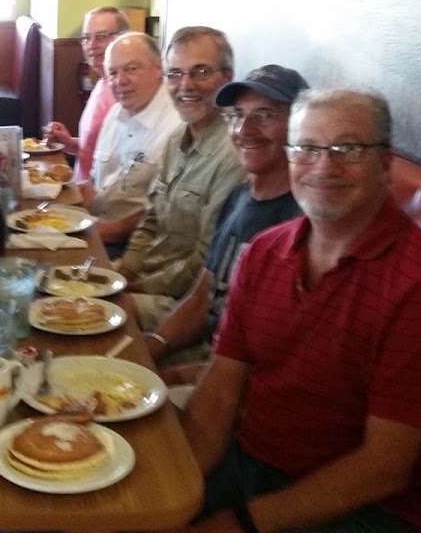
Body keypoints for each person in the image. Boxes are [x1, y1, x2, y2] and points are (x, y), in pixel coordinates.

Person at [169, 89, 421, 533]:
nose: (324, 166)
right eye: (308, 148)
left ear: (385, 163)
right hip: (252, 464)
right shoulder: (263, 253)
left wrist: (239, 525)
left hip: (371, 511)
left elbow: (384, 468)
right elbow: (219, 393)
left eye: (348, 148)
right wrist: (175, 496)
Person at [148, 65, 308, 374]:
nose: (244, 130)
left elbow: (266, 359)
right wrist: (151, 348)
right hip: (204, 347)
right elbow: (200, 298)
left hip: (232, 374)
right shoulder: (237, 197)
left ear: (300, 128)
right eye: (237, 115)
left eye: (264, 115)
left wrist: (169, 378)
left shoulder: (302, 222)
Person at [116, 26, 246, 329]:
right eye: (175, 74)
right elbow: (150, 220)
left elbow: (203, 262)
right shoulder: (177, 139)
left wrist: (128, 289)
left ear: (227, 77)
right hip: (144, 279)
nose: (185, 85)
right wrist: (122, 273)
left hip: (180, 303)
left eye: (200, 72)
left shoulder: (233, 155)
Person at [88, 31, 178, 254]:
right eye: (113, 73)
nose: (121, 81)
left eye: (131, 69)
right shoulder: (115, 113)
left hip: (137, 249)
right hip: (98, 227)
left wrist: (99, 232)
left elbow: (164, 215)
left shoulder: (176, 127)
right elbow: (95, 181)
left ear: (159, 68)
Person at [45, 6, 131, 189]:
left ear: (124, 38)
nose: (91, 45)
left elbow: (126, 167)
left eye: (101, 37)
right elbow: (97, 151)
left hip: (99, 203)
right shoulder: (102, 82)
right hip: (81, 191)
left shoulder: (126, 92)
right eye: (86, 38)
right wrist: (67, 142)